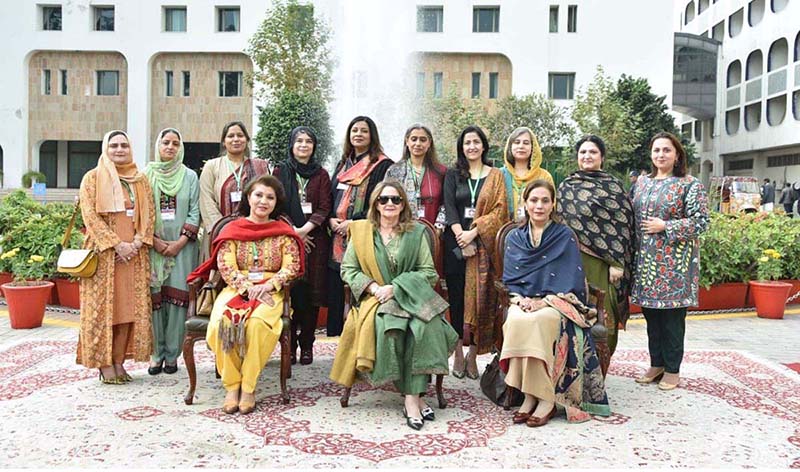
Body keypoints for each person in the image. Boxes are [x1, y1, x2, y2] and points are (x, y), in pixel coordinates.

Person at [329, 182, 458, 430]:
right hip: (375, 298)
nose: (390, 204)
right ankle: (415, 398)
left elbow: (428, 272)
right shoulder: (362, 232)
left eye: (396, 200)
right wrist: (375, 288)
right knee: (391, 325)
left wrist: (396, 287)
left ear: (403, 205)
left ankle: (412, 397)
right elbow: (349, 269)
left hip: (410, 295)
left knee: (425, 326)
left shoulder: (416, 232)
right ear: (375, 203)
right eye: (384, 199)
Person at [187, 175, 304, 415]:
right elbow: (225, 264)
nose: (263, 201)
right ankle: (232, 385)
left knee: (258, 326)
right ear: (248, 197)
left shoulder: (283, 232)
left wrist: (270, 284)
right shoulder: (232, 229)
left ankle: (249, 387)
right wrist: (246, 287)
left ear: (276, 202)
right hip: (236, 289)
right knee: (223, 323)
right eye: (258, 195)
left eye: (270, 197)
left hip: (270, 290)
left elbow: (292, 266)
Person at [501, 179, 610, 427]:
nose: (539, 206)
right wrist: (521, 301)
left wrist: (545, 302)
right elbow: (511, 278)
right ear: (525, 204)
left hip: (557, 303)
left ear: (553, 205)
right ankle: (529, 397)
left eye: (545, 201)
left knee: (539, 322)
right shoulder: (516, 237)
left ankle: (546, 400)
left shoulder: (564, 236)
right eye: (534, 200)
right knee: (517, 320)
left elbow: (570, 278)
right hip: (524, 300)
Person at [631, 132, 709, 391]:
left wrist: (666, 225)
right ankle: (657, 364)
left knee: (672, 320)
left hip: (674, 266)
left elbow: (701, 222)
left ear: (676, 155)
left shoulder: (689, 184)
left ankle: (673, 369)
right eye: (656, 150)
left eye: (666, 150)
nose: (661, 155)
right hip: (646, 265)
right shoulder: (642, 183)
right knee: (651, 318)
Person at [76, 130, 155, 384]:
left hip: (134, 256)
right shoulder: (93, 178)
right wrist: (116, 245)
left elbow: (149, 214)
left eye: (124, 145)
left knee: (127, 311)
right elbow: (90, 216)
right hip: (104, 257)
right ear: (105, 149)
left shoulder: (140, 180)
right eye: (114, 146)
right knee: (104, 312)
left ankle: (119, 361)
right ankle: (104, 364)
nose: (119, 150)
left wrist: (136, 243)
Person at [556, 135, 635, 355]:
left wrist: (617, 263)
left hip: (603, 264)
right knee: (573, 310)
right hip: (572, 261)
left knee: (603, 313)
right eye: (583, 152)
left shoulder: (613, 188)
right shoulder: (567, 186)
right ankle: (575, 363)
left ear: (602, 157)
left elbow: (624, 225)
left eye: (592, 152)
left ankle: (601, 365)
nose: (587, 156)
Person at [443, 125, 507, 380]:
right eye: (467, 142)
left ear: (483, 146)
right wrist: (461, 236)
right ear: (462, 147)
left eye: (476, 142)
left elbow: (499, 211)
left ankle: (473, 354)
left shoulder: (496, 175)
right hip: (456, 245)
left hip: (483, 247)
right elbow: (449, 207)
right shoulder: (452, 174)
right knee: (457, 299)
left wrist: (474, 232)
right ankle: (458, 351)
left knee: (482, 300)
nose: (471, 146)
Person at [327, 116, 393, 336]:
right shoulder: (343, 163)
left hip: (365, 233)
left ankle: (360, 335)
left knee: (359, 282)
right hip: (337, 235)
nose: (358, 134)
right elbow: (330, 195)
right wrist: (330, 218)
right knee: (336, 285)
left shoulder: (382, 165)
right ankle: (336, 338)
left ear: (372, 135)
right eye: (354, 130)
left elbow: (381, 201)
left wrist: (353, 223)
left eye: (364, 131)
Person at [273, 126, 332, 365]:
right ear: (291, 144)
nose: (304, 145)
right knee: (291, 292)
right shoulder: (280, 171)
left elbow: (324, 207)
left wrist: (304, 231)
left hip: (315, 243)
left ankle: (307, 344)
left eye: (308, 141)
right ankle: (290, 344)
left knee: (311, 296)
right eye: (299, 141)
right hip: (287, 242)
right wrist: (293, 233)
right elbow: (275, 204)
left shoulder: (321, 175)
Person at [145, 128, 200, 375]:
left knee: (178, 301)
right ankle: (156, 354)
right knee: (155, 300)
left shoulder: (189, 176)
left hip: (183, 248)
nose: (170, 147)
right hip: (153, 248)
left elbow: (195, 212)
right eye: (165, 142)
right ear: (158, 145)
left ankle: (173, 355)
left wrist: (178, 242)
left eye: (175, 143)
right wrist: (155, 241)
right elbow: (141, 213)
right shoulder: (146, 175)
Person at [199, 121, 269, 234]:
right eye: (231, 136)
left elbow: (267, 197)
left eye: (240, 135)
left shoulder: (259, 166)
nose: (236, 139)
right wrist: (221, 229)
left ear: (246, 140)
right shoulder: (212, 166)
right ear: (223, 142)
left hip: (254, 231)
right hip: (220, 232)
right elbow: (206, 200)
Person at [383, 124, 447, 225]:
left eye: (423, 140)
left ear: (429, 143)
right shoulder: (394, 171)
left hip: (432, 230)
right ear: (407, 142)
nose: (418, 143)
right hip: (401, 229)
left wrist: (439, 225)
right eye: (414, 139)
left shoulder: (441, 172)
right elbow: (385, 200)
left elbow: (447, 202)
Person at [499, 127, 554, 221]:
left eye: (526, 143)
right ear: (510, 146)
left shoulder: (544, 176)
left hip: (536, 230)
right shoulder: (499, 175)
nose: (521, 146)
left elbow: (551, 207)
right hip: (503, 231)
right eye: (517, 142)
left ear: (533, 148)